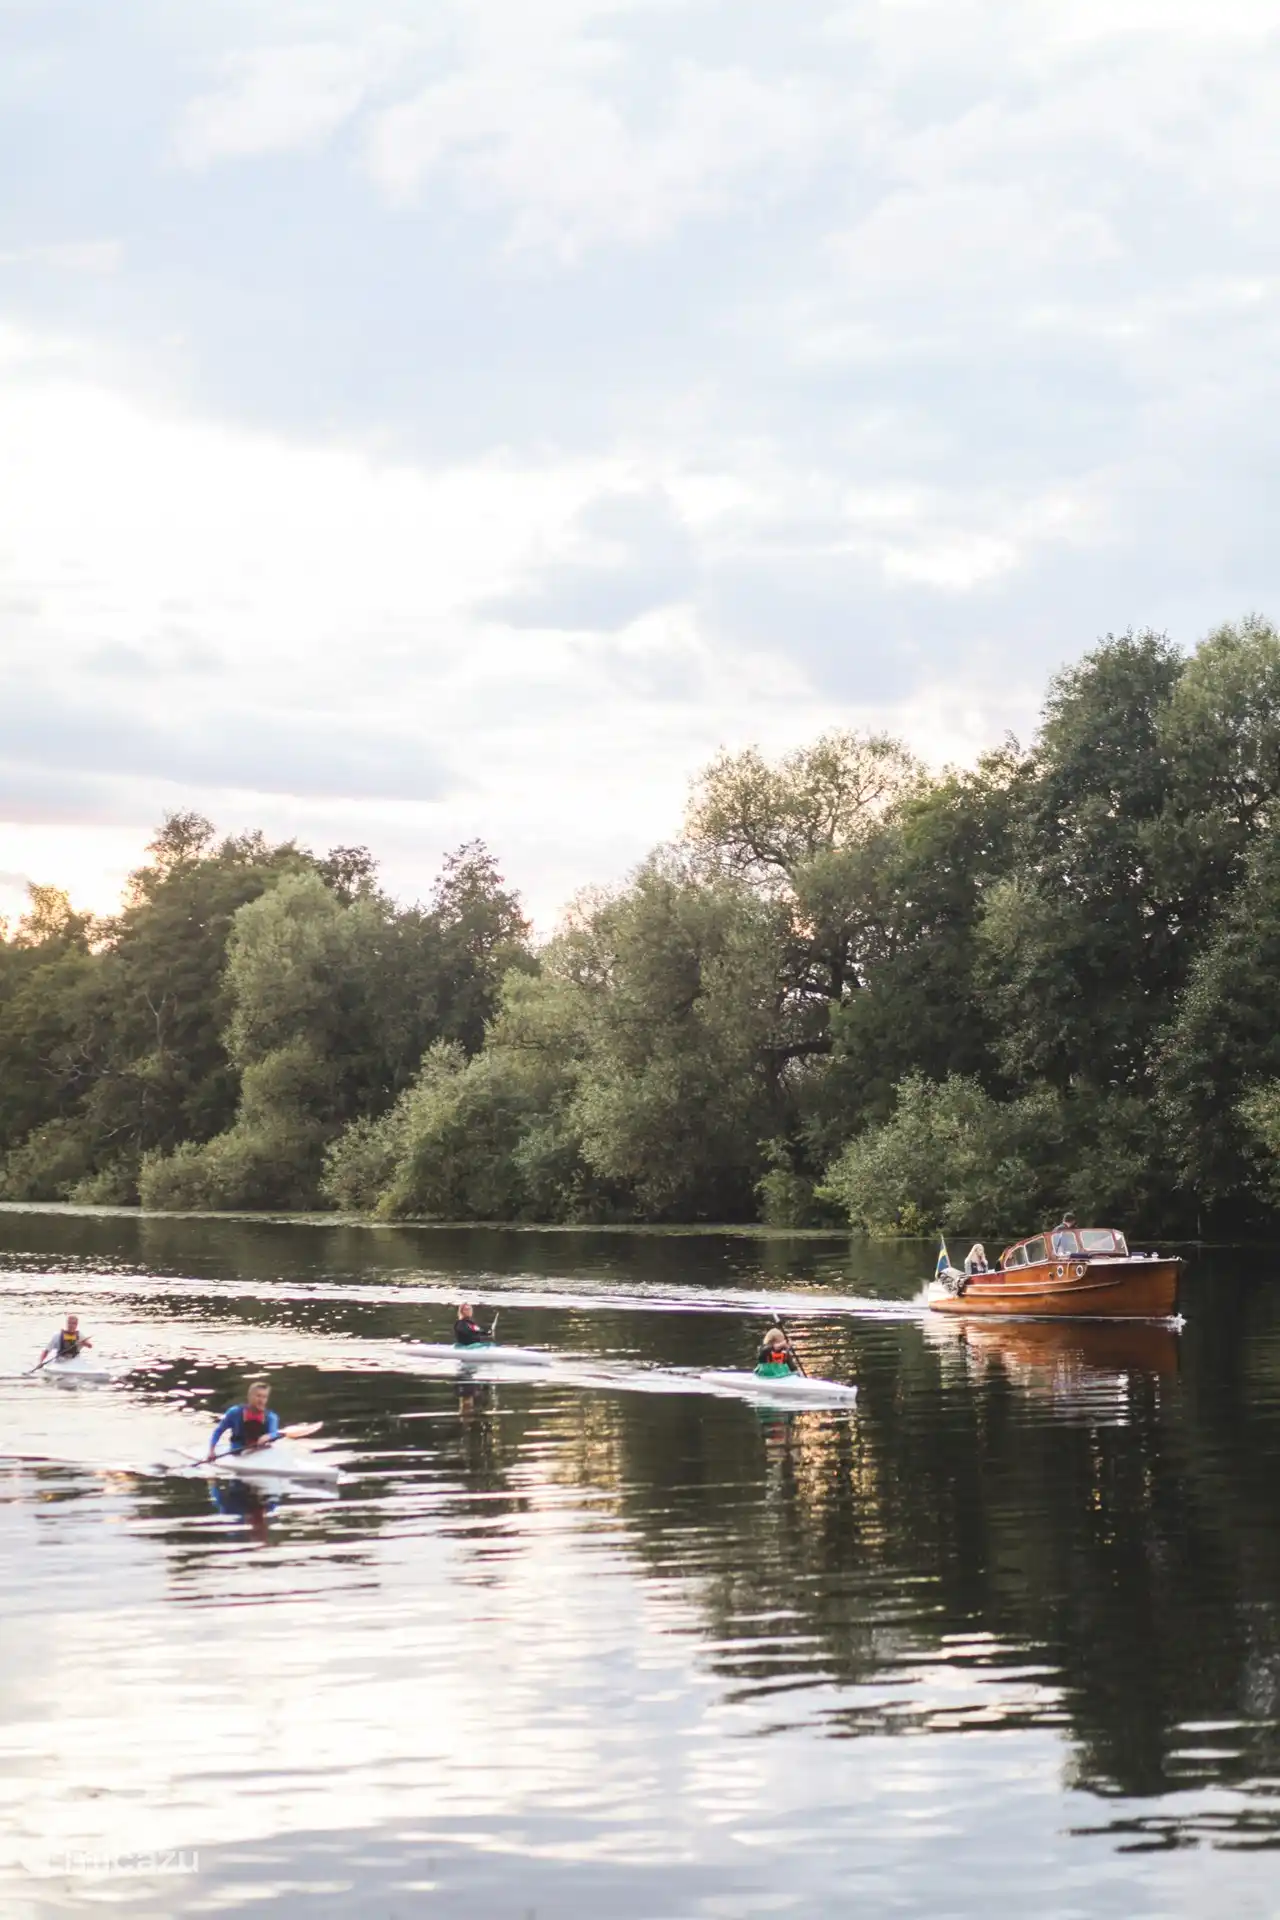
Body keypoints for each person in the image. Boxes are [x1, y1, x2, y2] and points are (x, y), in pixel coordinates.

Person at [207, 1379, 279, 1460]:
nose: (261, 1400)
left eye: (264, 1397)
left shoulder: (271, 1417)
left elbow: (274, 1433)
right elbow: (219, 1431)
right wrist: (211, 1450)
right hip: (238, 1450)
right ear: (249, 1397)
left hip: (261, 1450)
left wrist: (268, 1436)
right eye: (258, 1396)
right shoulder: (234, 1412)